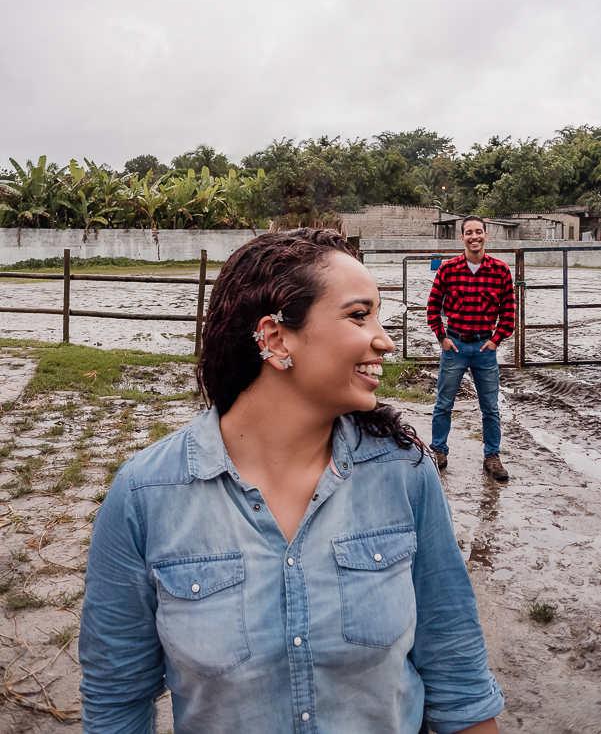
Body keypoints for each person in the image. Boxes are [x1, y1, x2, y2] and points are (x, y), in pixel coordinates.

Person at [80, 229, 504, 733]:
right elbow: (116, 699)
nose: (385, 340)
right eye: (359, 315)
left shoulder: (405, 473)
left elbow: (457, 671)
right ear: (276, 339)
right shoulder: (145, 495)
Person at [427, 216, 515, 480]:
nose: (474, 236)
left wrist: (496, 340)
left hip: (484, 348)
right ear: (462, 238)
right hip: (454, 346)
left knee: (490, 407)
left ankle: (492, 456)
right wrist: (442, 338)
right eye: (469, 232)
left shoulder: (500, 270)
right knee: (444, 404)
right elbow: (432, 307)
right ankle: (439, 451)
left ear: (486, 235)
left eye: (479, 232)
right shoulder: (448, 269)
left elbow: (509, 312)